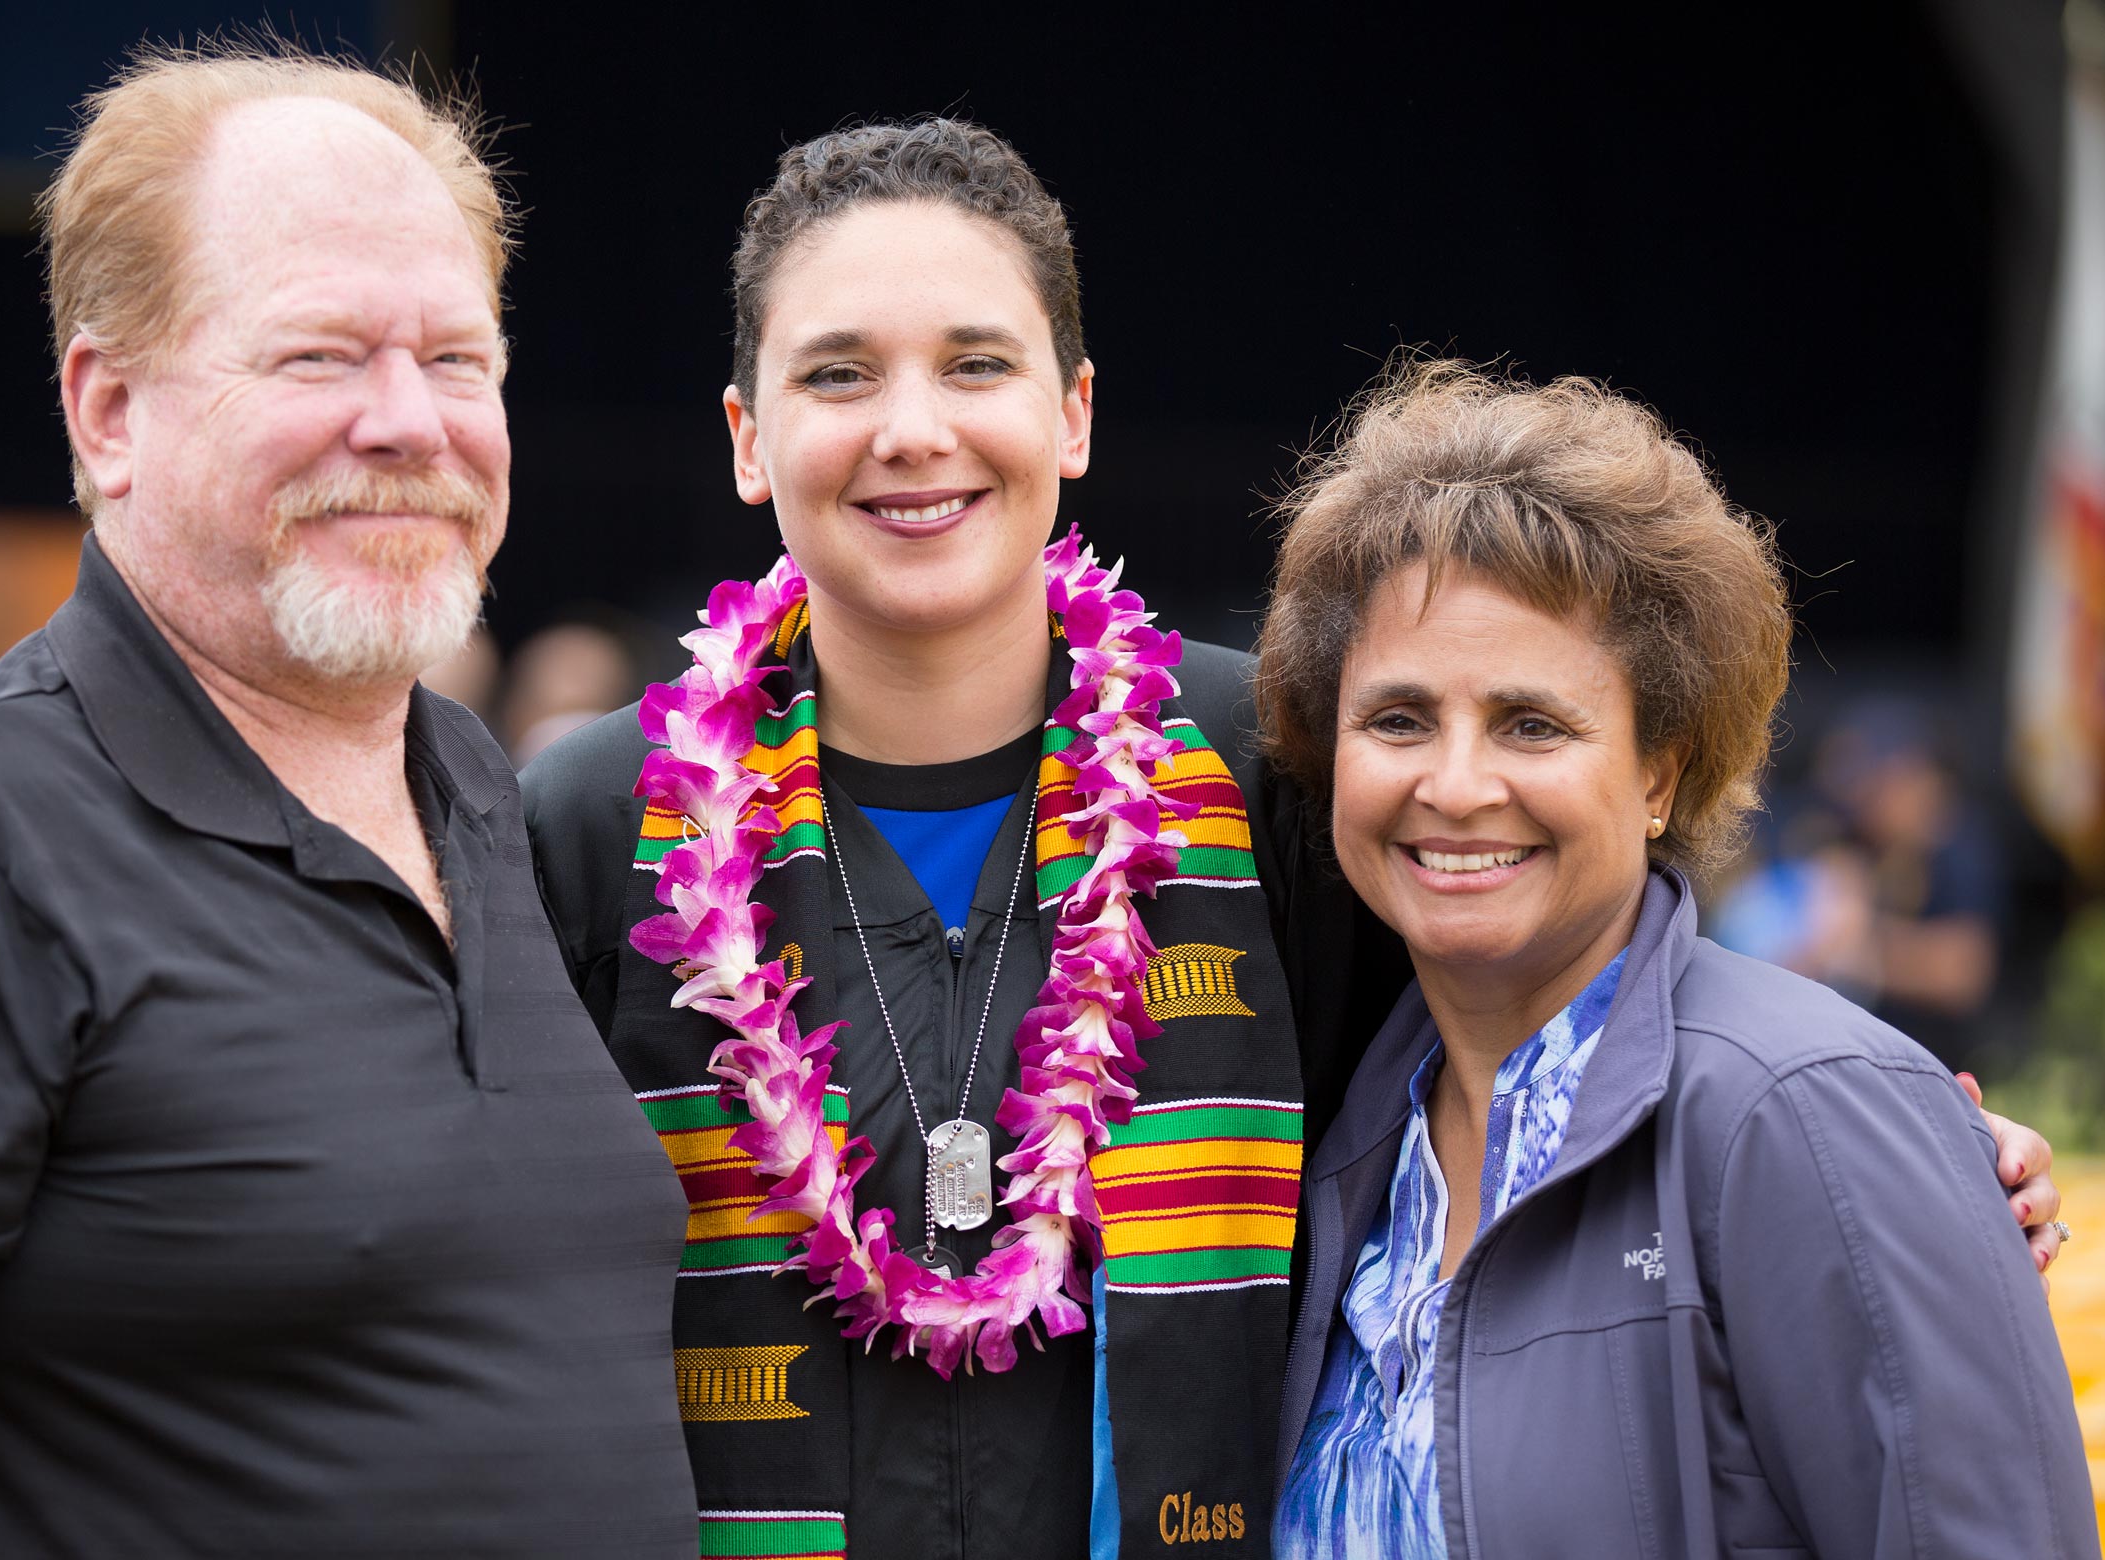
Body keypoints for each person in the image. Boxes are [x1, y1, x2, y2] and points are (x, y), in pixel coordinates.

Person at [520, 121, 2065, 1560]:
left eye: (976, 363)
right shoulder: (601, 825)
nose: (911, 429)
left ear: (1072, 415)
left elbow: (1535, 1039)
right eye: (838, 375)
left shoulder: (1261, 773)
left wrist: (1871, 1145)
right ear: (746, 433)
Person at [0, 46, 697, 1558]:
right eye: (320, 355)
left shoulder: (481, 795)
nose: (410, 422)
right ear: (108, 410)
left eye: (457, 359)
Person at [1257, 362, 2093, 1557]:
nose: (1453, 784)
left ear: (1659, 771)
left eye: (1530, 722)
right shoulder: (1346, 1135)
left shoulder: (1802, 1116)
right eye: (1397, 719)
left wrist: (1878, 1132)